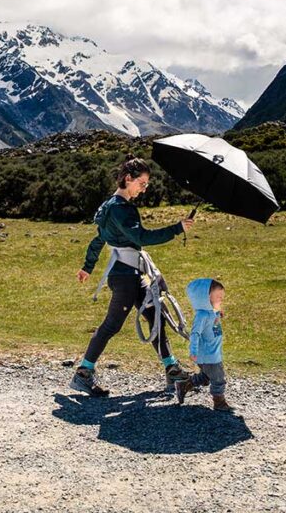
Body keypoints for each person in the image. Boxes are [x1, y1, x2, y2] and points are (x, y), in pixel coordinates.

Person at [70, 155, 194, 397]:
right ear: (128, 179)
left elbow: (98, 240)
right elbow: (141, 238)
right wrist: (176, 229)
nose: (144, 188)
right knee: (112, 325)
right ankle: (83, 373)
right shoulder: (120, 209)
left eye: (147, 184)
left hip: (131, 273)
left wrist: (88, 267)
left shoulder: (111, 205)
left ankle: (171, 369)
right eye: (142, 183)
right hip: (125, 277)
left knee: (155, 317)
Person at [175, 278, 233, 412]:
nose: (221, 300)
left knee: (207, 376)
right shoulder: (202, 315)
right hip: (208, 355)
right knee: (218, 378)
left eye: (222, 297)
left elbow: (214, 319)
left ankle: (185, 384)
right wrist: (193, 351)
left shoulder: (211, 312)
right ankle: (219, 402)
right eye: (218, 297)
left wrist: (218, 312)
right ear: (205, 298)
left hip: (213, 353)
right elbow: (195, 334)